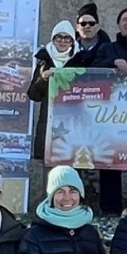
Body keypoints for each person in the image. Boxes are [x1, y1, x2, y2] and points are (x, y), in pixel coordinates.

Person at [26, 21, 79, 167]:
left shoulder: (80, 60)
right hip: (49, 124)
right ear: (53, 39)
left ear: (72, 41)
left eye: (67, 38)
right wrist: (42, 79)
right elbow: (33, 95)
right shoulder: (44, 61)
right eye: (59, 37)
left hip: (73, 123)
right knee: (49, 175)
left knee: (72, 169)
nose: (62, 41)